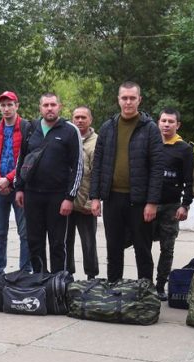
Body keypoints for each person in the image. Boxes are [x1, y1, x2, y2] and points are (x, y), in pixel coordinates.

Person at [89, 81, 164, 282]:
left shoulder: (150, 129)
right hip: (112, 198)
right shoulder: (108, 128)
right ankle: (113, 291)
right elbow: (98, 165)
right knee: (113, 249)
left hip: (140, 201)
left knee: (142, 249)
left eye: (132, 98)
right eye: (124, 98)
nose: (128, 102)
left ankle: (145, 292)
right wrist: (94, 197)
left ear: (139, 99)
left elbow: (158, 168)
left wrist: (152, 202)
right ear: (118, 100)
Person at [15, 93, 83, 274]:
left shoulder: (69, 130)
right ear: (40, 108)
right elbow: (21, 160)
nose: (49, 108)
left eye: (53, 104)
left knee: (57, 243)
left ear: (59, 106)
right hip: (32, 194)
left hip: (58, 196)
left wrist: (70, 197)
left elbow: (78, 166)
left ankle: (58, 282)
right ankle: (39, 279)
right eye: (46, 105)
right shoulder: (30, 128)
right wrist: (19, 188)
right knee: (34, 241)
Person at [0, 91, 31, 273]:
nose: (6, 108)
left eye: (9, 104)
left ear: (17, 106)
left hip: (20, 189)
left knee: (25, 234)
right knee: (0, 233)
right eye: (3, 105)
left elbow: (28, 159)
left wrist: (9, 179)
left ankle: (25, 272)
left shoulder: (27, 127)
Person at [154, 108, 194, 300]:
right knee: (142, 245)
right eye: (163, 121)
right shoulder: (151, 144)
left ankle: (160, 285)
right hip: (149, 205)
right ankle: (143, 282)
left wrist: (184, 205)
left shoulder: (184, 149)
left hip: (171, 206)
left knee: (167, 248)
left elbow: (190, 180)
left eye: (171, 121)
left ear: (177, 125)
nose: (166, 125)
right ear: (158, 122)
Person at [67, 105, 100, 279]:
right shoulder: (67, 137)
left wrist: (93, 200)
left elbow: (98, 174)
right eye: (76, 117)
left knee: (89, 243)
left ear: (90, 120)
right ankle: (67, 274)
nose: (79, 120)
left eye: (83, 117)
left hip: (86, 203)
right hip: (67, 202)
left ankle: (91, 276)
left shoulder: (97, 142)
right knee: (66, 242)